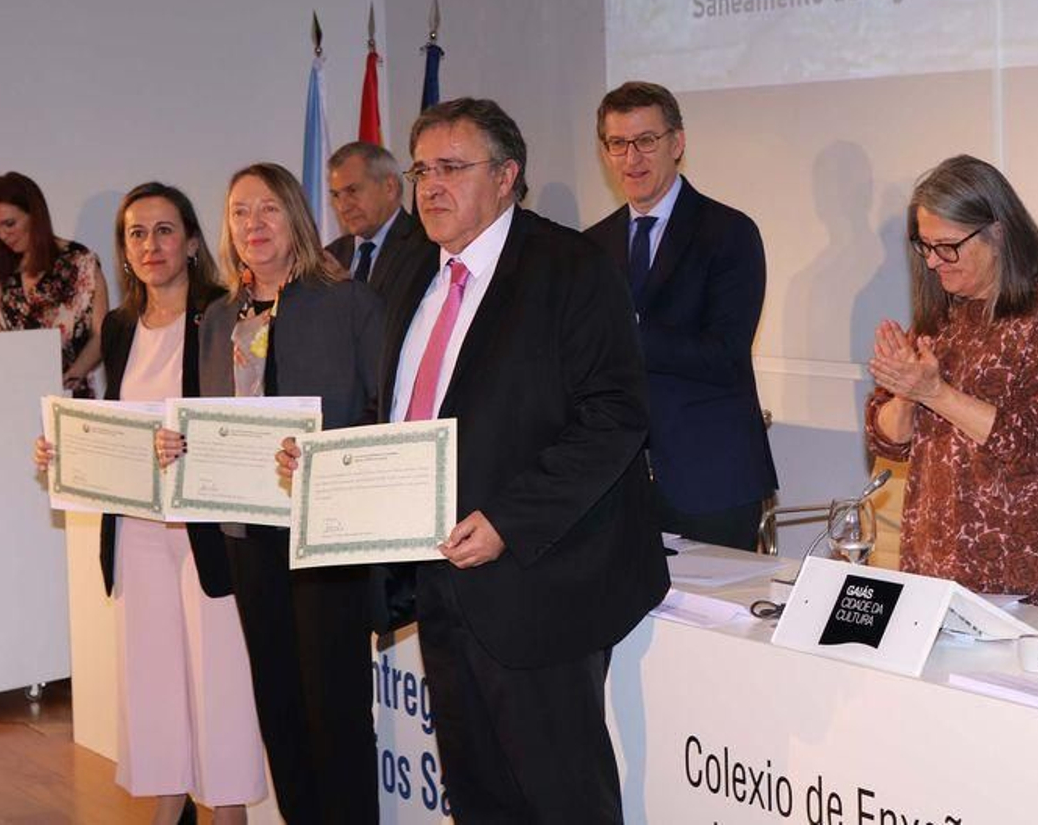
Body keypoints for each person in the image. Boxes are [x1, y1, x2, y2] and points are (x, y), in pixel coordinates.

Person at [284, 98, 668, 822]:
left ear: (506, 176)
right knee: (480, 798)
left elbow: (614, 418)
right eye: (423, 168)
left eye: (453, 167)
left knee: (562, 800)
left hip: (540, 585)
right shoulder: (411, 279)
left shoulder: (571, 267)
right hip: (441, 588)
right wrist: (325, 470)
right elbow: (398, 417)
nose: (431, 185)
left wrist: (507, 521)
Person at [34, 183, 264, 824]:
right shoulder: (118, 327)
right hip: (136, 527)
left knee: (217, 676)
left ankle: (227, 813)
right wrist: (67, 454)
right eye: (137, 233)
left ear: (191, 242)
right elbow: (118, 424)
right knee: (154, 677)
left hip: (207, 529)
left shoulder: (225, 314)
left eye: (164, 230)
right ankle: (169, 807)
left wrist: (192, 445)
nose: (150, 245)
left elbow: (244, 420)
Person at [164, 162, 382, 825]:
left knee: (334, 712)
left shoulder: (347, 303)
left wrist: (325, 455)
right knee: (280, 707)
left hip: (324, 536)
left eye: (267, 210)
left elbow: (384, 412)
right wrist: (179, 450)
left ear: (296, 217)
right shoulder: (216, 317)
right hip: (247, 538)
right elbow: (211, 420)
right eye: (238, 212)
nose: (252, 225)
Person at [865, 155, 1038, 613]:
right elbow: (889, 441)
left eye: (948, 246)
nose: (935, 262)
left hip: (1028, 574)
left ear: (997, 231)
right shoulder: (940, 317)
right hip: (935, 567)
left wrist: (935, 393)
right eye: (925, 247)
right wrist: (904, 391)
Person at [583, 81, 777, 550]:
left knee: (716, 624)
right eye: (618, 144)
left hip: (711, 480)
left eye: (646, 141)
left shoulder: (729, 232)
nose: (633, 158)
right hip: (617, 482)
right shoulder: (589, 247)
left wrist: (627, 331)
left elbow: (724, 353)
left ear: (677, 143)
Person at [0, 171, 107, 396]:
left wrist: (71, 377)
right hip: (14, 395)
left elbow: (102, 333)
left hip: (68, 396)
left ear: (35, 216)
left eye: (9, 223)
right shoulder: (3, 272)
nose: (3, 235)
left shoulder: (79, 262)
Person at [324, 139, 426, 296]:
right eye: (336, 195)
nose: (343, 207)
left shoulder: (425, 246)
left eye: (352, 190)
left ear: (390, 188)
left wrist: (347, 293)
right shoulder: (332, 255)